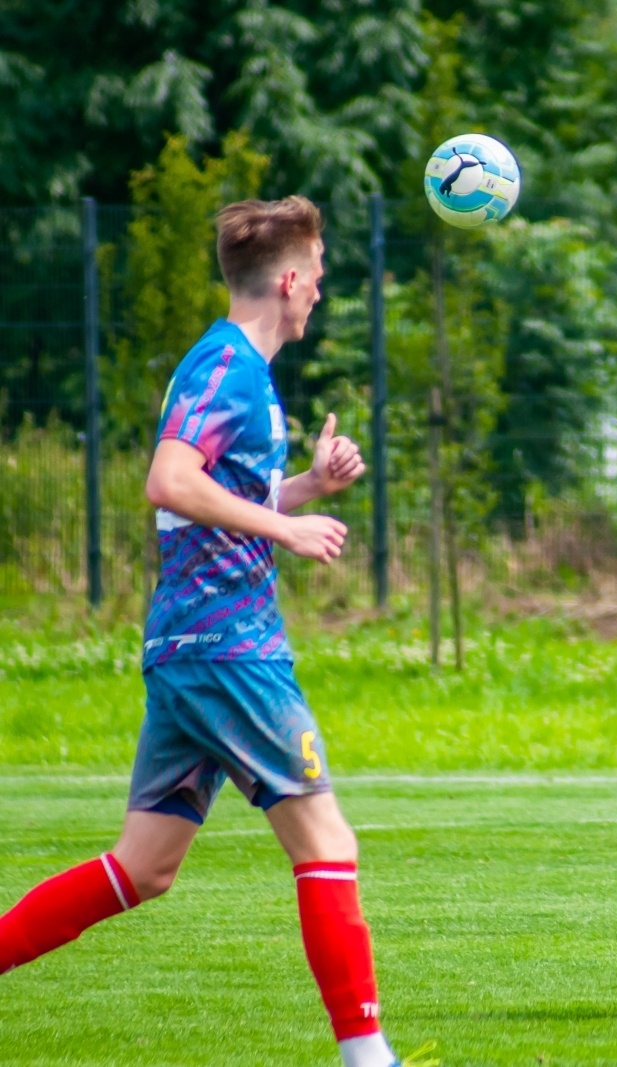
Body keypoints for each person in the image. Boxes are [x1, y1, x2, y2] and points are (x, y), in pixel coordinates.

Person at [0, 197, 417, 1067]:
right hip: (233, 650)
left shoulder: (232, 370)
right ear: (293, 279)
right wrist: (288, 530)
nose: (319, 297)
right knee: (327, 842)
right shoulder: (226, 366)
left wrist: (304, 489)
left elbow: (218, 501)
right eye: (321, 279)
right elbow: (169, 479)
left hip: (193, 649)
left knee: (143, 867)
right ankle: (368, 1055)